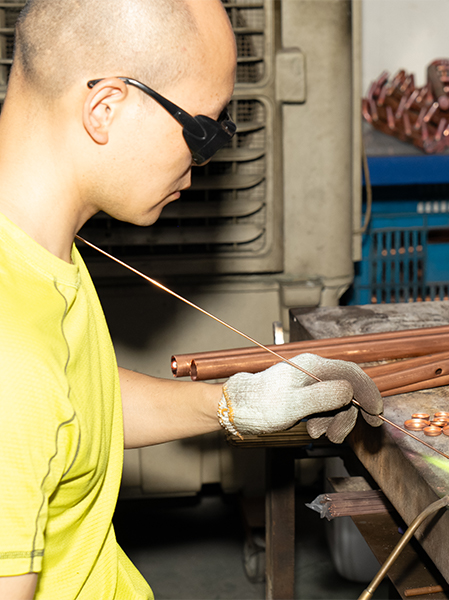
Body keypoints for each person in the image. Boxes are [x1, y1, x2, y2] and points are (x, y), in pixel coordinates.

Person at [0, 1, 383, 598]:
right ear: (105, 109)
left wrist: (230, 404)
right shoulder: (12, 345)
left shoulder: (31, 252)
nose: (204, 160)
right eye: (202, 130)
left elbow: (66, 408)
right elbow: (25, 391)